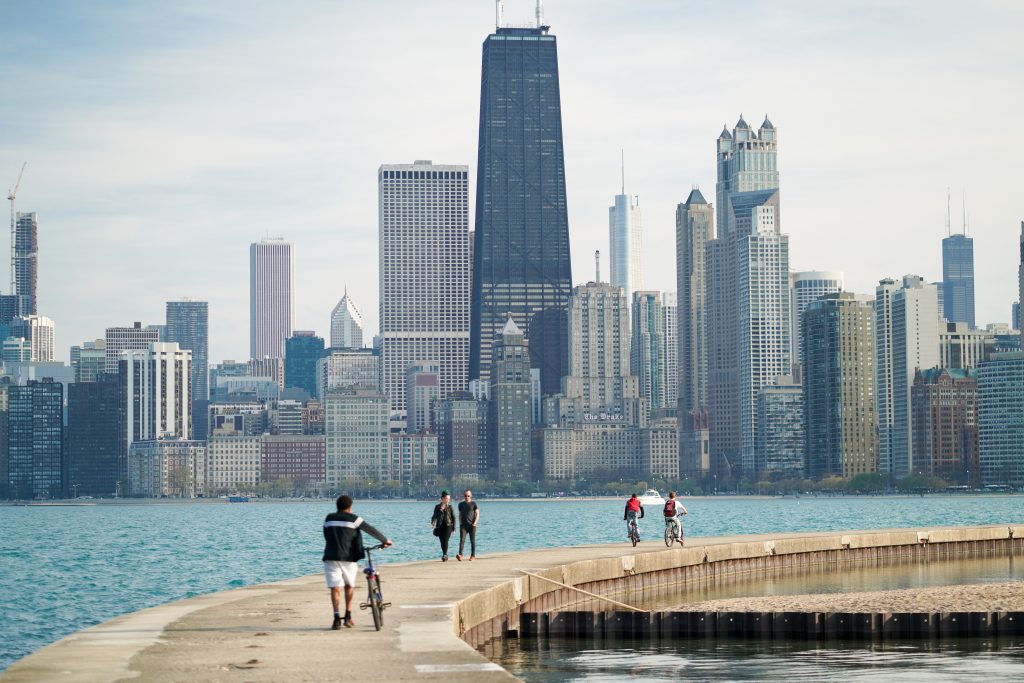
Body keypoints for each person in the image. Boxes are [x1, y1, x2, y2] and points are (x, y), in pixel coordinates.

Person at [322, 494, 392, 630]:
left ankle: (336, 618)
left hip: (331, 557)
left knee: (335, 588)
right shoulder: (354, 519)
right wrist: (385, 540)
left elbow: (326, 535)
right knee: (349, 586)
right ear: (350, 507)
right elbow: (370, 529)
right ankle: (348, 616)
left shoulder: (329, 519)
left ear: (337, 506)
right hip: (348, 557)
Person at [430, 490, 456, 561]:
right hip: (440, 526)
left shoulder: (450, 507)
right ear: (442, 498)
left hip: (448, 526)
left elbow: (453, 517)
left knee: (445, 540)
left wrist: (454, 528)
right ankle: (445, 554)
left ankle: (445, 554)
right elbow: (434, 516)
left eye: (449, 498)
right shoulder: (437, 507)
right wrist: (433, 523)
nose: (448, 500)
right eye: (447, 498)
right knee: (442, 541)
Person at [456, 489, 480, 561]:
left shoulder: (474, 504)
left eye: (468, 496)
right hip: (463, 526)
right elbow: (460, 514)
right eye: (465, 496)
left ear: (471, 496)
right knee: (462, 540)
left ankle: (473, 556)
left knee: (472, 541)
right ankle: (460, 555)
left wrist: (475, 523)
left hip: (472, 526)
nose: (467, 497)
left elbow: (477, 513)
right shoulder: (460, 504)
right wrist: (460, 523)